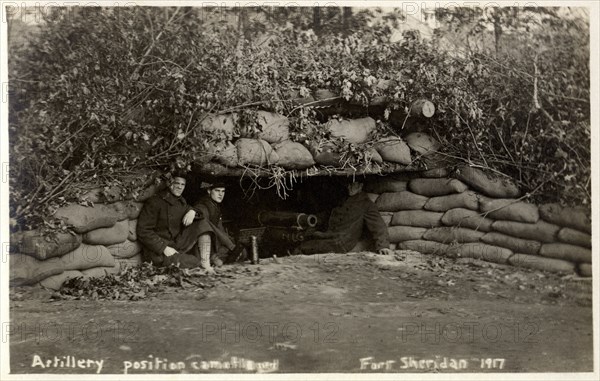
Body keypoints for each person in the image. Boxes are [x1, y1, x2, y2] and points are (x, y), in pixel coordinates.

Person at [136, 172, 215, 271]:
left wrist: (192, 211)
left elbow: (194, 211)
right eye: (177, 183)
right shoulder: (155, 202)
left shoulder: (180, 201)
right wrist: (163, 248)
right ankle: (198, 262)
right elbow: (143, 230)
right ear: (169, 183)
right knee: (193, 262)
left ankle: (206, 263)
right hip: (159, 250)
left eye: (183, 185)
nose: (180, 187)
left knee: (202, 224)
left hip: (176, 243)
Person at [293, 180, 394, 256]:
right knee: (303, 238)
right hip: (331, 235)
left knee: (304, 247)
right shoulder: (342, 199)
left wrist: (383, 246)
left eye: (353, 184)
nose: (349, 187)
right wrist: (310, 220)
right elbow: (327, 215)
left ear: (360, 186)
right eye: (348, 184)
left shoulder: (366, 204)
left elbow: (378, 225)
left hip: (342, 241)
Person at [192, 182, 247, 267]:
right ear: (209, 191)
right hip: (205, 246)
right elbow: (206, 228)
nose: (221, 194)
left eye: (223, 191)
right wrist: (231, 246)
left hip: (216, 243)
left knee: (242, 253)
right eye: (217, 191)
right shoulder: (202, 206)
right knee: (220, 262)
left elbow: (220, 228)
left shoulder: (214, 205)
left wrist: (232, 244)